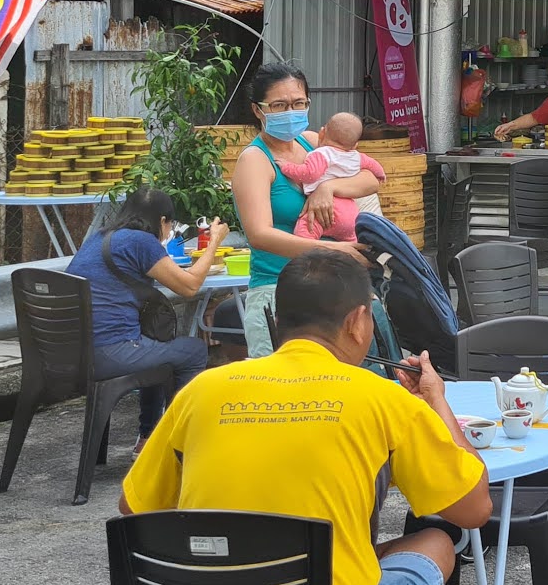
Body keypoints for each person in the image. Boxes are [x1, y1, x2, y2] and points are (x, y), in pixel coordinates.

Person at [120, 252, 491, 585]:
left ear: (279, 319)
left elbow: (134, 509)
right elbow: (475, 508)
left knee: (324, 551)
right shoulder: (385, 401)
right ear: (359, 322)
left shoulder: (200, 391)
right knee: (437, 542)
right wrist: (437, 400)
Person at [230, 64, 377, 358]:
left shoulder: (313, 142)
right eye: (279, 105)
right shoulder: (255, 161)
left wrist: (329, 188)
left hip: (332, 292)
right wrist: (333, 250)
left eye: (299, 103)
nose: (290, 111)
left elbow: (371, 178)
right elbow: (260, 235)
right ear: (258, 110)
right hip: (279, 294)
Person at [67, 185, 219, 441]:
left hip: (71, 355)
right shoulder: (142, 241)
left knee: (157, 343)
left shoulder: (98, 237)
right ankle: (176, 443)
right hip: (110, 353)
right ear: (162, 221)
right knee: (193, 350)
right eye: (170, 226)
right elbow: (189, 286)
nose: (168, 232)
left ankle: (148, 437)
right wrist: (214, 240)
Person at [279, 112, 386, 243]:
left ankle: (303, 257)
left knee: (305, 234)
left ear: (322, 133)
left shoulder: (322, 154)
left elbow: (310, 174)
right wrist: (381, 174)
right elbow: (373, 164)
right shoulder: (356, 156)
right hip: (350, 214)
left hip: (327, 213)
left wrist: (286, 167)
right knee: (352, 245)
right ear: (355, 145)